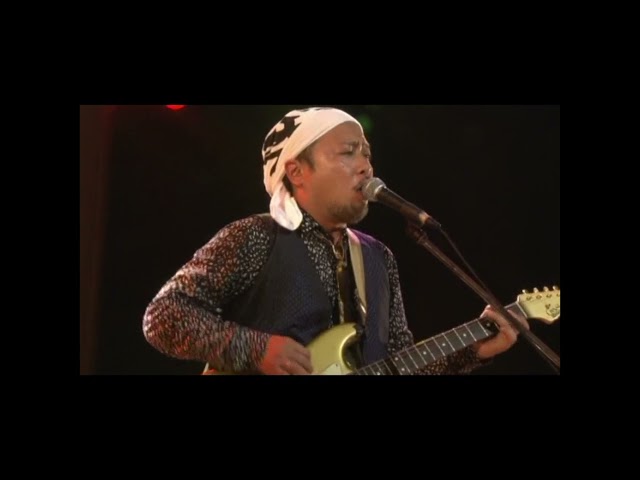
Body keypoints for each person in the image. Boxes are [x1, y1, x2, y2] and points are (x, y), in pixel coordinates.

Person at [142, 106, 529, 375]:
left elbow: (397, 364)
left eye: (367, 154)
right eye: (348, 152)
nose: (365, 165)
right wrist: (255, 349)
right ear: (297, 171)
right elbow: (164, 316)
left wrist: (472, 350)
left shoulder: (378, 258)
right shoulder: (256, 236)